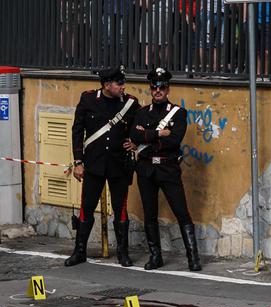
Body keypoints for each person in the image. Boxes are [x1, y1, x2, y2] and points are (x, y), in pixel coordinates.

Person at [66, 66, 141, 267]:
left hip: (119, 165)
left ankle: (123, 253)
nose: (123, 86)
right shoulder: (88, 99)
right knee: (87, 208)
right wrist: (78, 161)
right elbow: (77, 130)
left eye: (123, 83)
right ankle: (79, 251)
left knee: (120, 209)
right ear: (107, 85)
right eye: (119, 83)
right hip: (94, 164)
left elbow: (139, 128)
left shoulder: (131, 103)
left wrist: (135, 142)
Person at [129, 68, 202, 271]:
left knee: (181, 212)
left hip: (168, 168)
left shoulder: (178, 113)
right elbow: (134, 136)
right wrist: (160, 133)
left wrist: (148, 135)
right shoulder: (141, 112)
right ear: (150, 89)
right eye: (154, 87)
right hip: (145, 169)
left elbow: (174, 141)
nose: (157, 90)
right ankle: (155, 256)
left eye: (161, 87)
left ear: (168, 89)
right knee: (149, 214)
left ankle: (193, 258)